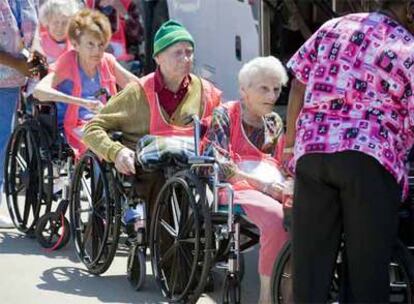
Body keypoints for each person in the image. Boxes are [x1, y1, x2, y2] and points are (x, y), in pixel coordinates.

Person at [285, 0, 414, 302]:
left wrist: (290, 145)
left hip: (314, 154)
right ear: (410, 8)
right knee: (366, 273)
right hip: (369, 160)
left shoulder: (332, 27)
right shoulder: (407, 49)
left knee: (309, 270)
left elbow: (298, 84)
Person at [82, 19, 221, 225]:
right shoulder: (137, 93)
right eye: (178, 52)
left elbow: (218, 134)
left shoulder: (207, 92)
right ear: (158, 58)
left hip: (192, 169)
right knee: (162, 178)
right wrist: (116, 152)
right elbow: (91, 129)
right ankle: (166, 251)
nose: (186, 58)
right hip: (149, 173)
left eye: (189, 52)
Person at [203, 56, 290, 304]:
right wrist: (262, 185)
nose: (272, 95)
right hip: (236, 186)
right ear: (244, 90)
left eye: (276, 89)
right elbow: (220, 164)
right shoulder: (225, 114)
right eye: (264, 88)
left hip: (271, 184)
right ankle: (266, 297)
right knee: (276, 218)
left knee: (304, 213)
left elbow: (282, 163)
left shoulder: (273, 121)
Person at [33, 8, 140, 156]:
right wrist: (81, 102)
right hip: (72, 123)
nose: (97, 51)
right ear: (76, 44)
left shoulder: (107, 60)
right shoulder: (68, 61)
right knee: (103, 142)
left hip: (104, 120)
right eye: (90, 44)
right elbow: (39, 91)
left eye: (101, 44)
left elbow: (136, 85)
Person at [0, 0, 39, 228]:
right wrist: (18, 63)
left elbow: (37, 36)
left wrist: (39, 69)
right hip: (11, 72)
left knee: (2, 142)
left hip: (12, 82)